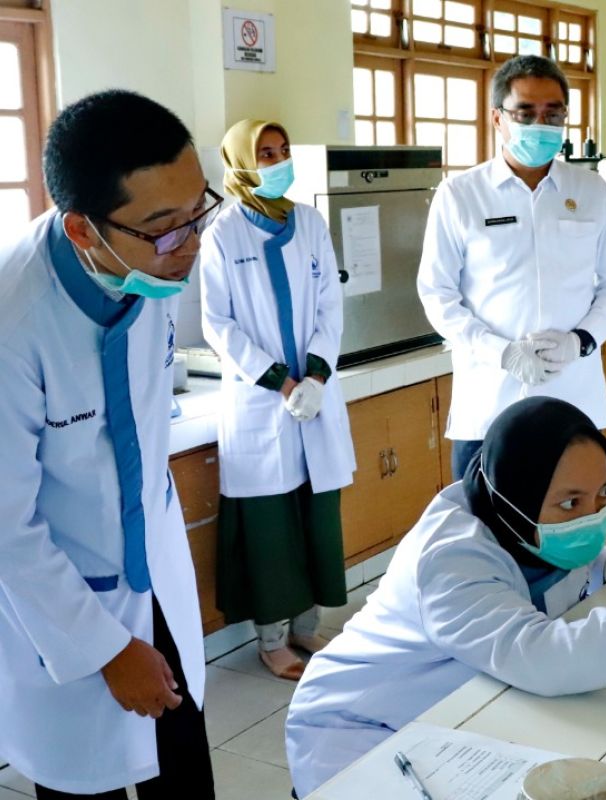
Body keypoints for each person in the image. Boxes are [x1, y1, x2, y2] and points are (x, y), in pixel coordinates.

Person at [284, 397, 606, 797]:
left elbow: (548, 581)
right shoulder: (452, 560)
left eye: (604, 493)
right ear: (518, 492)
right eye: (570, 502)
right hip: (361, 730)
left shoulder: (516, 518)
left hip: (454, 712)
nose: (591, 514)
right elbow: (541, 655)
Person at [0, 90, 214, 798]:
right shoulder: (15, 321)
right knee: (82, 781)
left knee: (183, 767)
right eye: (164, 229)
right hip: (56, 609)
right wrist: (104, 646)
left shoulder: (148, 267)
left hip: (152, 574)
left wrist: (140, 634)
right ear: (83, 230)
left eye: (197, 215)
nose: (187, 246)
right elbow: (8, 527)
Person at [417, 54, 606, 480]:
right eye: (526, 112)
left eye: (553, 114)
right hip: (488, 407)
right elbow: (437, 294)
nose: (542, 124)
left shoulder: (590, 190)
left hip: (574, 403)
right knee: (484, 538)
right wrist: (501, 353)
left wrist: (582, 340)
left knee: (573, 532)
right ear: (498, 118)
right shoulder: (461, 195)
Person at [199, 119, 355, 680]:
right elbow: (217, 324)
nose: (278, 160)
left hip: (314, 396)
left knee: (316, 514)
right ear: (241, 161)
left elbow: (328, 305)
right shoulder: (222, 233)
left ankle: (306, 626)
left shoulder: (309, 222)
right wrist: (279, 381)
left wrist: (313, 376)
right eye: (265, 153)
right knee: (270, 525)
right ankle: (270, 640)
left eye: (283, 151)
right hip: (261, 403)